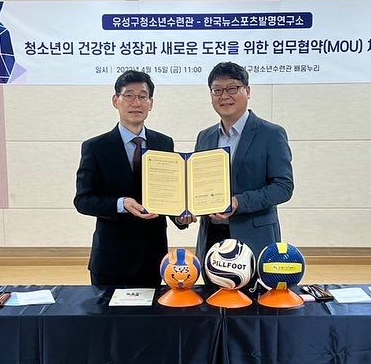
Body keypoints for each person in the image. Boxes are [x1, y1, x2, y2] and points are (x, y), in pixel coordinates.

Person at [74, 70, 186, 289]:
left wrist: (181, 216)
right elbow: (83, 200)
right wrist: (121, 204)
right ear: (115, 100)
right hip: (111, 259)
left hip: (153, 258)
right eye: (129, 95)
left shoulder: (164, 143)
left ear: (151, 103)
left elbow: (168, 194)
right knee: (107, 313)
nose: (136, 103)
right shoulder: (95, 147)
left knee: (152, 312)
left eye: (143, 96)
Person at [193, 62, 294, 279]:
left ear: (247, 91)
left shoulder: (271, 134)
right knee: (212, 298)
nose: (224, 96)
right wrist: (185, 209)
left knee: (254, 299)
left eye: (232, 88)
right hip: (212, 239)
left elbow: (283, 187)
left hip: (254, 240)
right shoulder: (205, 137)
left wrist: (238, 202)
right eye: (217, 90)